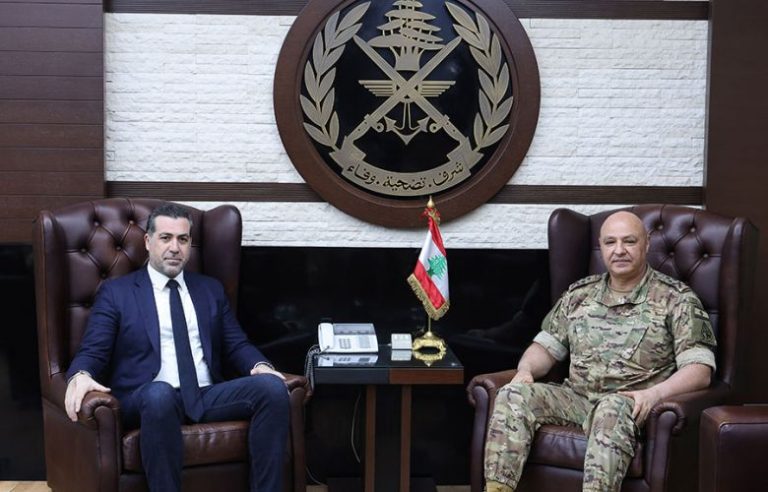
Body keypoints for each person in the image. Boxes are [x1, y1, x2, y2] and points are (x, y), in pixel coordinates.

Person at [483, 211, 717, 492]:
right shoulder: (579, 294)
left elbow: (700, 370)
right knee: (513, 393)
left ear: (646, 244)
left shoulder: (676, 299)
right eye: (610, 242)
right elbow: (544, 347)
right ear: (601, 247)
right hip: (577, 399)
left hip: (631, 404)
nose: (619, 250)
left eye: (629, 241)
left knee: (611, 407)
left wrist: (653, 395)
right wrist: (525, 370)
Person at [64, 203, 289, 492]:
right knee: (160, 393)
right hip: (147, 397)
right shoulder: (117, 292)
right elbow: (94, 349)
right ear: (148, 241)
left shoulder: (209, 289)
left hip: (205, 394)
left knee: (272, 388)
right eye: (166, 238)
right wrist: (81, 373)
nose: (175, 247)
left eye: (182, 239)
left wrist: (260, 366)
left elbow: (236, 344)